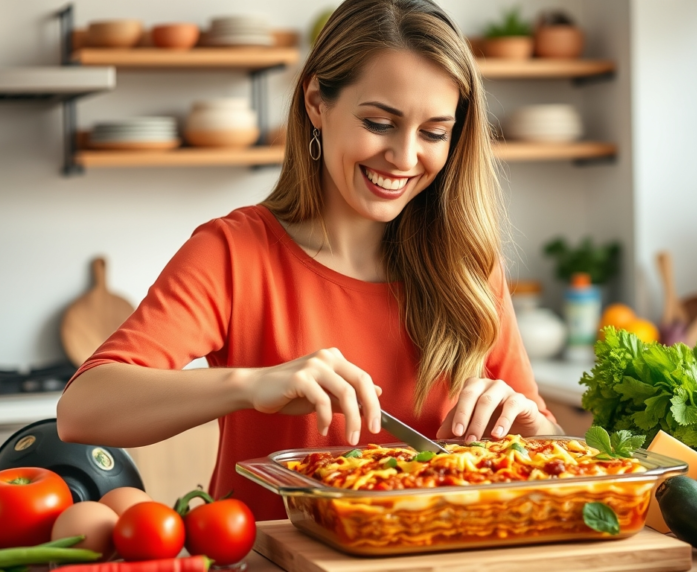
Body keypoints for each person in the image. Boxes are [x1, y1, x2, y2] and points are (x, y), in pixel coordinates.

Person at [57, 0, 561, 521]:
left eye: (433, 132)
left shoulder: (468, 265)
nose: (406, 157)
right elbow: (82, 410)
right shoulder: (234, 253)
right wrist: (253, 385)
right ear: (317, 101)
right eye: (379, 122)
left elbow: (545, 436)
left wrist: (529, 428)